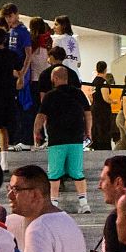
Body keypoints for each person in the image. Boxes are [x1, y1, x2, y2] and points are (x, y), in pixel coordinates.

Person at [34, 66, 93, 212]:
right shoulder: (79, 94)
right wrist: (88, 131)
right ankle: (84, 203)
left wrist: (36, 132)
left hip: (57, 140)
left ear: (54, 78)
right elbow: (88, 114)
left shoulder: (49, 96)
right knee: (77, 172)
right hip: (76, 138)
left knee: (54, 173)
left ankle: (54, 204)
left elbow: (41, 116)